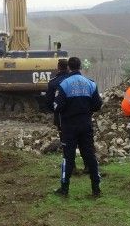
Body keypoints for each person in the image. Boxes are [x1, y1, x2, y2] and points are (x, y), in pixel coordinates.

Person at [52, 57, 103, 198]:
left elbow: (57, 106)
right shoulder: (90, 83)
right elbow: (98, 105)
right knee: (90, 155)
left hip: (69, 126)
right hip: (86, 124)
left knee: (68, 157)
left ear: (69, 67)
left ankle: (64, 189)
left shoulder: (64, 84)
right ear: (80, 67)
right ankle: (96, 188)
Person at [44, 59, 70, 153]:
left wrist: (55, 110)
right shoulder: (73, 80)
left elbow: (49, 101)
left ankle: (67, 155)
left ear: (58, 67)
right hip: (77, 114)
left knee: (64, 137)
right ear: (68, 68)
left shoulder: (53, 82)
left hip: (60, 115)